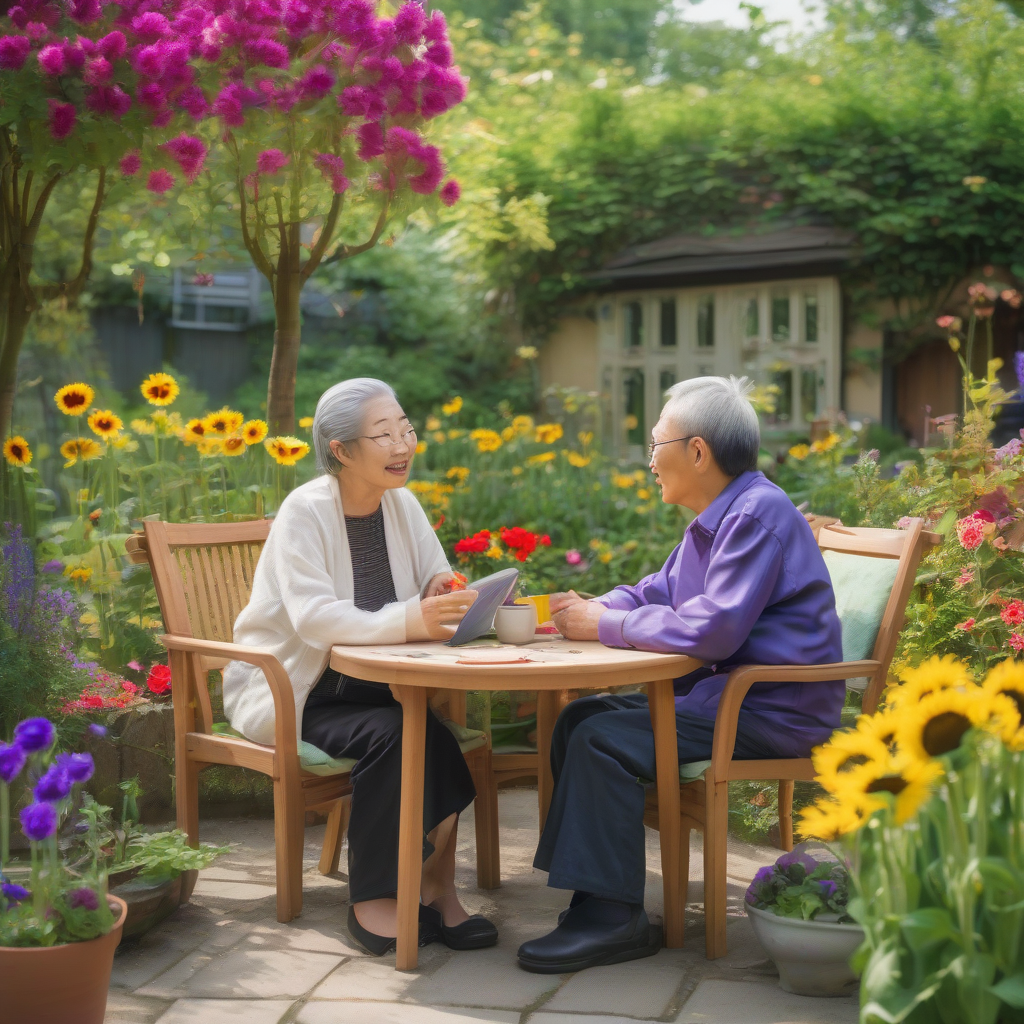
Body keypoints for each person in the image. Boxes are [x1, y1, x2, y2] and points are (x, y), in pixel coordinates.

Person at [516, 376, 843, 974]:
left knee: (600, 739)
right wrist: (588, 609)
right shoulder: (716, 518)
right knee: (581, 717)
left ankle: (614, 922)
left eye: (654, 445)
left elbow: (712, 631)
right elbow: (655, 590)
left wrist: (606, 625)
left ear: (697, 451)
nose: (648, 462)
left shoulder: (756, 514)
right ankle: (598, 900)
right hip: (724, 701)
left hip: (768, 710)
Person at [223, 377, 498, 956]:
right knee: (401, 738)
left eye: (406, 430)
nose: (403, 445)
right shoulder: (306, 511)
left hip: (376, 682)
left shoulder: (402, 504)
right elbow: (314, 619)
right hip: (304, 687)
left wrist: (441, 589)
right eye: (383, 434)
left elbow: (431, 573)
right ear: (341, 450)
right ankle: (374, 899)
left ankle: (436, 890)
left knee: (437, 742)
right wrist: (415, 619)